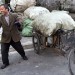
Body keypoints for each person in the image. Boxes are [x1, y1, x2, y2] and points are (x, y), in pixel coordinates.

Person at [0, 4, 28, 69]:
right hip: (5, 37)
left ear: (6, 9)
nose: (0, 11)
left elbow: (20, 21)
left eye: (2, 9)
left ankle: (23, 55)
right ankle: (5, 63)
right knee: (3, 51)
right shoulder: (0, 17)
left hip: (14, 36)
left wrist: (18, 23)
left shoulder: (14, 15)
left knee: (19, 48)